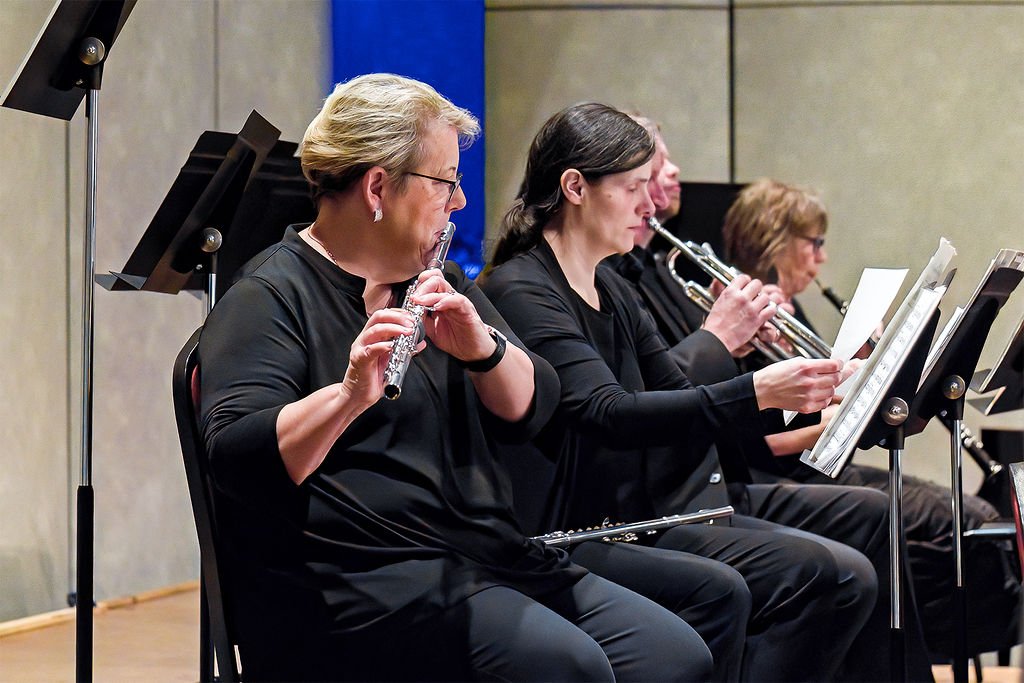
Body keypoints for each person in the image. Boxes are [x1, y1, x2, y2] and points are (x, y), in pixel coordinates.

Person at [197, 74, 712, 682]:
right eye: (446, 182)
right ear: (378, 187)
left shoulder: (433, 280)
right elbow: (238, 460)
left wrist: (484, 351)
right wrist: (347, 397)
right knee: (568, 667)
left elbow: (537, 405)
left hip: (479, 554)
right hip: (360, 583)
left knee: (672, 654)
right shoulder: (269, 296)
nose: (460, 202)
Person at [480, 101, 891, 682]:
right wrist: (758, 391)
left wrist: (819, 394)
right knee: (772, 582)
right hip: (573, 529)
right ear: (574, 188)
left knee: (847, 576)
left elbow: (679, 397)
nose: (649, 206)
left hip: (635, 515)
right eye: (633, 188)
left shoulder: (612, 288)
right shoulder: (523, 288)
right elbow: (607, 413)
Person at [721, 177, 1023, 657]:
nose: (822, 257)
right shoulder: (737, 317)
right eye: (815, 242)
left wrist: (872, 368)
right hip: (785, 477)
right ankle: (918, 652)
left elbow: (823, 400)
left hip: (821, 469)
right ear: (774, 239)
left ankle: (942, 645)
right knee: (957, 521)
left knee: (977, 516)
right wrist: (848, 415)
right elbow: (758, 439)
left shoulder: (788, 309)